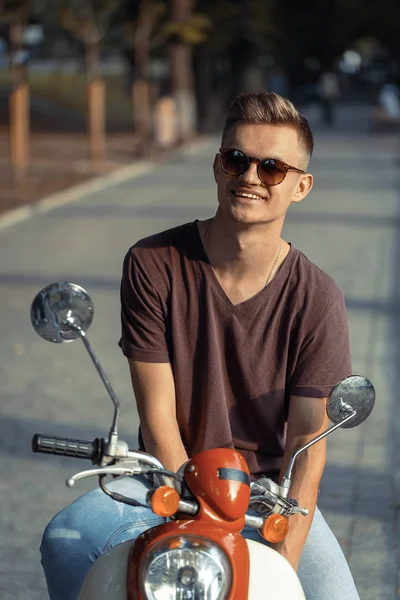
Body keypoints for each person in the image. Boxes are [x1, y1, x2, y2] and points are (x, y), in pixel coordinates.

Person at [40, 92, 359, 600]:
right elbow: (159, 416)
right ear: (217, 167)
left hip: (268, 492)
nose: (251, 176)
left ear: (301, 186)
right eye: (237, 159)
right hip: (164, 480)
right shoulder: (152, 264)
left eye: (273, 168)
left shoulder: (318, 297)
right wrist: (192, 508)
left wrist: (280, 568)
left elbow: (305, 443)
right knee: (66, 540)